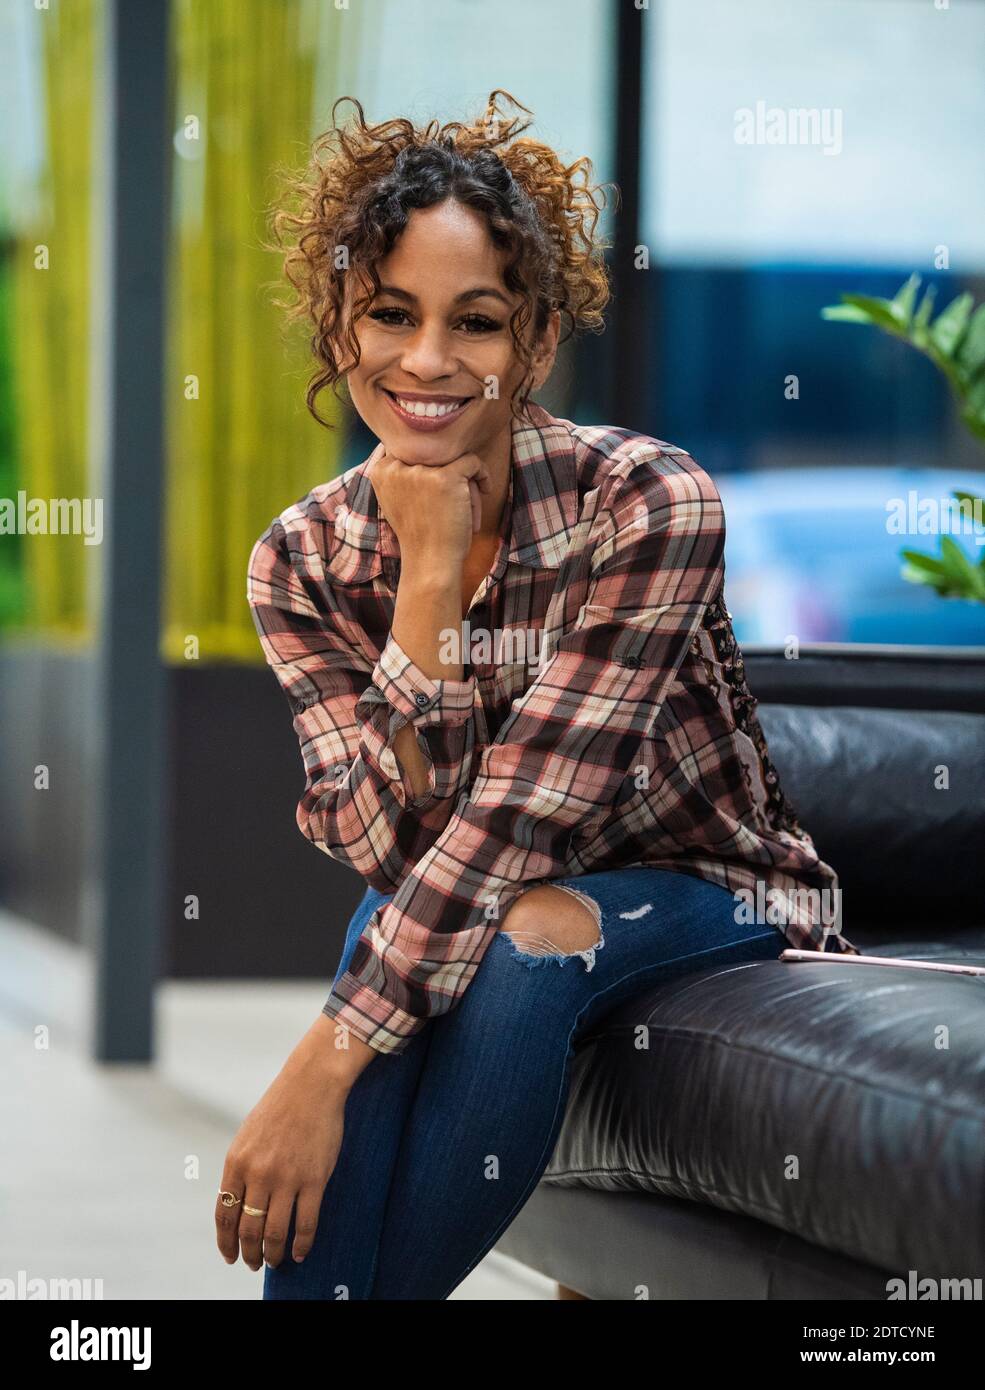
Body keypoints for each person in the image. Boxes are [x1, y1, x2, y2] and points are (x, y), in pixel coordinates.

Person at [216, 90, 859, 1301]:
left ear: (538, 341)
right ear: (336, 327)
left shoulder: (646, 502)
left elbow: (519, 820)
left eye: (477, 322)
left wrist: (321, 1059)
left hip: (706, 889)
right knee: (463, 925)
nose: (426, 361)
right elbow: (377, 843)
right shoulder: (299, 559)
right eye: (390, 315)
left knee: (522, 920)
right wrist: (424, 594)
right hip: (480, 909)